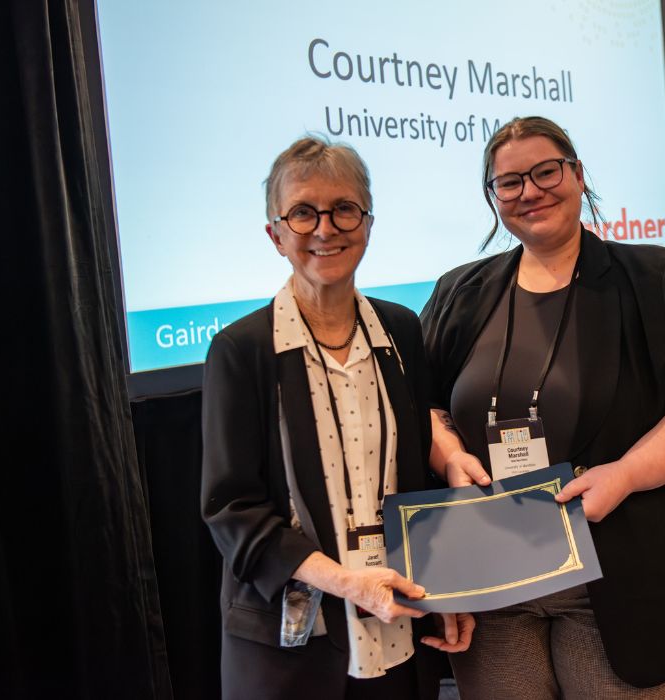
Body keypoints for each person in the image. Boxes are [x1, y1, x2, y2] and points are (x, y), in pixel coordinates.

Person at [421, 116, 665, 698]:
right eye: (509, 182)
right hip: (495, 573)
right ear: (493, 197)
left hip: (624, 572)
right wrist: (450, 453)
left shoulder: (655, 278)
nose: (529, 190)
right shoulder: (462, 291)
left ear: (577, 175)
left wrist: (627, 473)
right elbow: (418, 401)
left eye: (546, 171)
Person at [202, 136, 474, 700]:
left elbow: (416, 481)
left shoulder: (400, 331)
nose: (326, 228)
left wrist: (444, 589)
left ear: (368, 223)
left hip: (397, 624)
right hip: (292, 645)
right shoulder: (243, 350)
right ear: (276, 235)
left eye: (344, 208)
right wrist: (349, 583)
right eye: (303, 212)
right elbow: (233, 513)